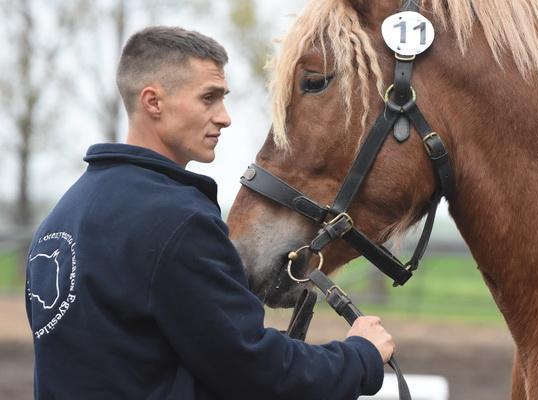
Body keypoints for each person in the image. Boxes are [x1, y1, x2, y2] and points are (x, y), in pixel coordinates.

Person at [25, 26, 395, 399]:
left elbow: (142, 354)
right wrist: (359, 356)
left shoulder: (62, 216)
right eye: (209, 98)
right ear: (153, 102)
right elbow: (255, 371)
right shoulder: (177, 221)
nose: (225, 117)